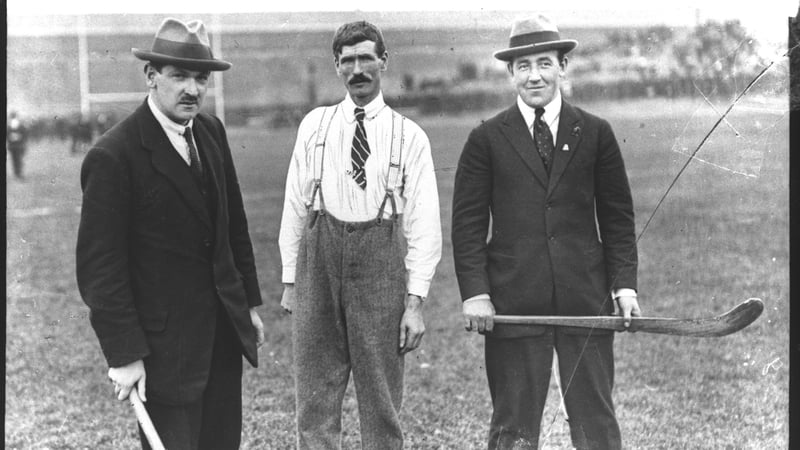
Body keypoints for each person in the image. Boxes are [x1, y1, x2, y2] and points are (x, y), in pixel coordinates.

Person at [451, 15, 641, 450]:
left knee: (595, 423)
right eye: (523, 66)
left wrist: (625, 288)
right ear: (510, 72)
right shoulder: (485, 139)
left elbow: (617, 218)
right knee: (513, 426)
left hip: (584, 300)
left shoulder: (596, 132)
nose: (533, 75)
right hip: (514, 304)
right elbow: (467, 226)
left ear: (562, 66)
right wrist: (476, 293)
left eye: (544, 63)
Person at [76, 18, 265, 450]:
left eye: (201, 78)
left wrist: (248, 304)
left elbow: (233, 226)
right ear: (151, 75)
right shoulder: (113, 155)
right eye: (179, 76)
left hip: (221, 341)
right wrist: (124, 353)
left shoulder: (211, 131)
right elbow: (100, 269)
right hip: (162, 356)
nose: (192, 89)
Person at [278, 20, 441, 449]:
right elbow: (294, 205)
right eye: (347, 61)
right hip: (318, 267)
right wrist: (291, 281)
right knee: (314, 403)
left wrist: (415, 303)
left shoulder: (410, 136)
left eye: (366, 58)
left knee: (382, 403)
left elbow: (424, 225)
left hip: (380, 271)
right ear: (336, 66)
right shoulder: (315, 125)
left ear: (383, 61)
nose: (357, 70)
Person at [7, 110, 28, 180]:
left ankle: (18, 173)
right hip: (15, 145)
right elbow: (25, 134)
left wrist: (18, 137)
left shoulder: (14, 126)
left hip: (16, 145)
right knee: (16, 160)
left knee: (17, 160)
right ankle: (17, 174)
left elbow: (25, 135)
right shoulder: (11, 126)